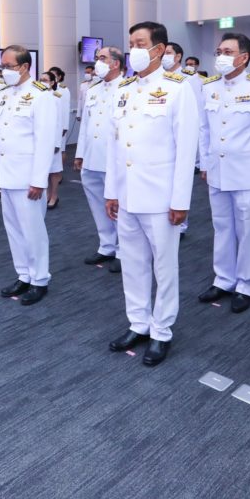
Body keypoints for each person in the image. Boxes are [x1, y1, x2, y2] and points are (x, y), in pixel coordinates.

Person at [105, 21, 199, 366]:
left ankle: (161, 331)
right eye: (131, 43)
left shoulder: (178, 89)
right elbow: (116, 145)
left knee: (164, 267)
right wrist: (111, 192)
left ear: (159, 49)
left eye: (140, 43)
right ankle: (139, 323)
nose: (134, 49)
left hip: (160, 197)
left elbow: (186, 149)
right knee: (132, 264)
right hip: (127, 195)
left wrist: (180, 201)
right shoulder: (124, 89)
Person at [197, 33, 250, 313]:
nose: (221, 56)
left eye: (228, 52)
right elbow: (204, 130)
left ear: (244, 57)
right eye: (219, 51)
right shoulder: (209, 87)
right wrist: (204, 164)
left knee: (246, 230)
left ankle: (245, 284)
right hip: (217, 171)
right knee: (221, 227)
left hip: (248, 173)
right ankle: (223, 279)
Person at [0, 45, 57, 305]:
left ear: (24, 67)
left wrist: (38, 180)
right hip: (7, 175)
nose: (4, 71)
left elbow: (45, 141)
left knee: (33, 232)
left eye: (9, 66)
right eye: (2, 66)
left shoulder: (41, 95)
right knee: (14, 230)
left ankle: (39, 279)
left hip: (28, 178)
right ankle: (23, 274)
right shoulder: (3, 94)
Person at [75, 46, 123, 272]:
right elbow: (85, 124)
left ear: (116, 63)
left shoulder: (127, 88)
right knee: (97, 205)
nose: (97, 62)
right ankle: (107, 246)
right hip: (92, 157)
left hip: (115, 160)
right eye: (97, 58)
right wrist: (80, 154)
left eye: (102, 58)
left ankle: (123, 250)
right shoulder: (93, 90)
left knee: (119, 208)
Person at [165, 41, 204, 237]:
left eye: (168, 53)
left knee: (181, 180)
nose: (164, 56)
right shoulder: (159, 78)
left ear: (178, 56)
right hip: (164, 138)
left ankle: (181, 225)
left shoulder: (189, 78)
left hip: (183, 135)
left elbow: (197, 110)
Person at [41, 70, 65, 210]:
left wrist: (57, 143)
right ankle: (46, 194)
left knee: (54, 170)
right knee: (44, 170)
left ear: (52, 82)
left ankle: (54, 195)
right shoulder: (37, 96)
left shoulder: (56, 97)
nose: (42, 82)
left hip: (53, 140)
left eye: (45, 80)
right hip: (41, 140)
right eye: (40, 80)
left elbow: (59, 122)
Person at [48, 66, 72, 165]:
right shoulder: (46, 89)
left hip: (60, 124)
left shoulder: (63, 89)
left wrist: (65, 127)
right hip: (50, 123)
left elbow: (65, 109)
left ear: (59, 77)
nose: (51, 76)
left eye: (53, 75)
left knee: (61, 149)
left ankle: (60, 171)